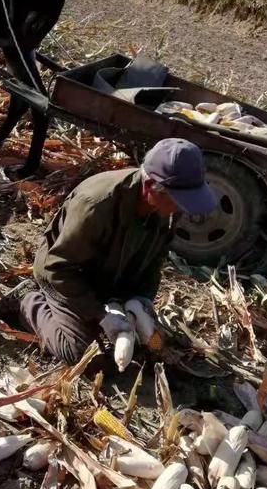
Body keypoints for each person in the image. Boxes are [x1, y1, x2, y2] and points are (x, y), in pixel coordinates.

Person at [17, 138, 219, 364]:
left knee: (147, 346)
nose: (185, 209)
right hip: (67, 277)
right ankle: (27, 300)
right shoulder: (96, 205)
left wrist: (142, 299)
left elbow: (155, 258)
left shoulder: (168, 208)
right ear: (151, 186)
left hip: (112, 276)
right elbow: (58, 268)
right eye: (179, 201)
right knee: (81, 353)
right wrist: (100, 314)